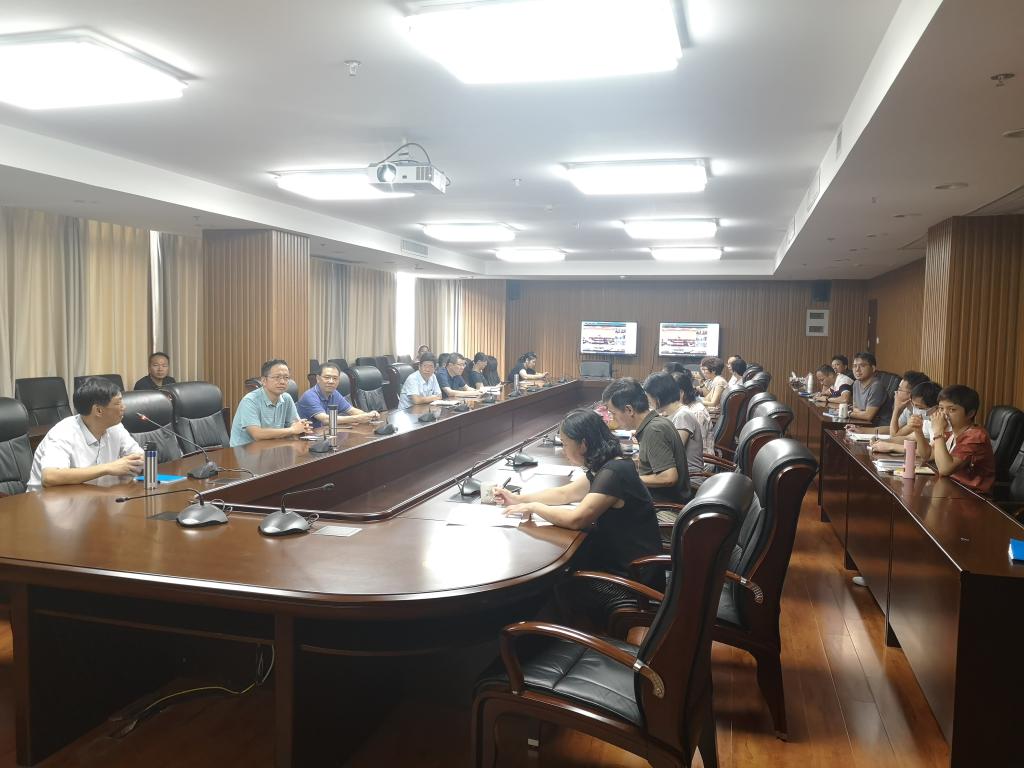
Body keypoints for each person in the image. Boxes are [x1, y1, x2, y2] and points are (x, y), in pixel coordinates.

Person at [494, 408, 662, 626]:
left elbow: (576, 519)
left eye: (565, 444)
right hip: (628, 568)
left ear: (583, 444)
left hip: (631, 582)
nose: (564, 450)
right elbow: (565, 494)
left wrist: (535, 507)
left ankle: (555, 637)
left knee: (555, 586)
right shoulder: (609, 465)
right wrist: (518, 499)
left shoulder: (613, 473)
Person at [27, 377, 143, 489]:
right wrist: (108, 468)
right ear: (98, 410)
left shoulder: (115, 427)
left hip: (96, 496)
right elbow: (49, 477)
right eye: (118, 403)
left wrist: (139, 461)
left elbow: (139, 457)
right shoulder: (63, 432)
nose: (124, 407)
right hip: (47, 500)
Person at [602, 377, 690, 505]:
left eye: (613, 413)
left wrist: (627, 479)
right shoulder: (655, 422)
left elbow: (669, 477)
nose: (612, 418)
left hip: (665, 506)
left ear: (629, 410)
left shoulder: (654, 430)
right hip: (656, 499)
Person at [915, 384, 996, 494]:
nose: (944, 414)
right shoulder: (951, 432)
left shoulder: (976, 436)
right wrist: (918, 431)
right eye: (941, 408)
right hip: (951, 488)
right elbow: (927, 455)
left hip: (972, 495)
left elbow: (945, 469)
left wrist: (938, 432)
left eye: (952, 410)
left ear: (970, 413)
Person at [229, 359, 312, 447]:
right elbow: (257, 434)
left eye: (286, 377)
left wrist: (302, 426)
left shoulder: (286, 398)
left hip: (272, 447)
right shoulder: (250, 400)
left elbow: (294, 424)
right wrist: (292, 430)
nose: (282, 382)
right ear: (264, 381)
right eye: (277, 377)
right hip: (243, 451)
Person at [644, 372, 706, 488]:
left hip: (689, 482)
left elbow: (673, 452)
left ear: (658, 398)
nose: (649, 404)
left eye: (649, 399)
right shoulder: (673, 414)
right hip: (679, 477)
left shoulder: (682, 416)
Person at [868, 381, 942, 453]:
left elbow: (929, 453)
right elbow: (908, 438)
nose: (915, 410)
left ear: (936, 407)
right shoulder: (927, 420)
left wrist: (891, 446)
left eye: (920, 408)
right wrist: (881, 441)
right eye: (914, 406)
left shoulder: (940, 423)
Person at [296, 363, 378, 426]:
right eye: (327, 377)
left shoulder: (334, 393)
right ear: (318, 378)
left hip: (325, 435)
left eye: (335, 378)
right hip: (307, 437)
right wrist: (356, 418)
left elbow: (351, 410)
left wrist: (369, 416)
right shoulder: (309, 396)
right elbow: (325, 420)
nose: (331, 381)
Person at [673, 371, 714, 458]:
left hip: (702, 460)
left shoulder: (696, 412)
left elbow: (700, 447)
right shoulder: (687, 407)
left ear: (681, 393)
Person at [849, 352, 892, 425]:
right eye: (854, 366)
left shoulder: (876, 386)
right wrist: (861, 413)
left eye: (862, 366)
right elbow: (855, 408)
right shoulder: (856, 383)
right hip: (863, 422)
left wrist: (848, 413)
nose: (857, 369)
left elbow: (868, 416)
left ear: (873, 368)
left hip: (879, 426)